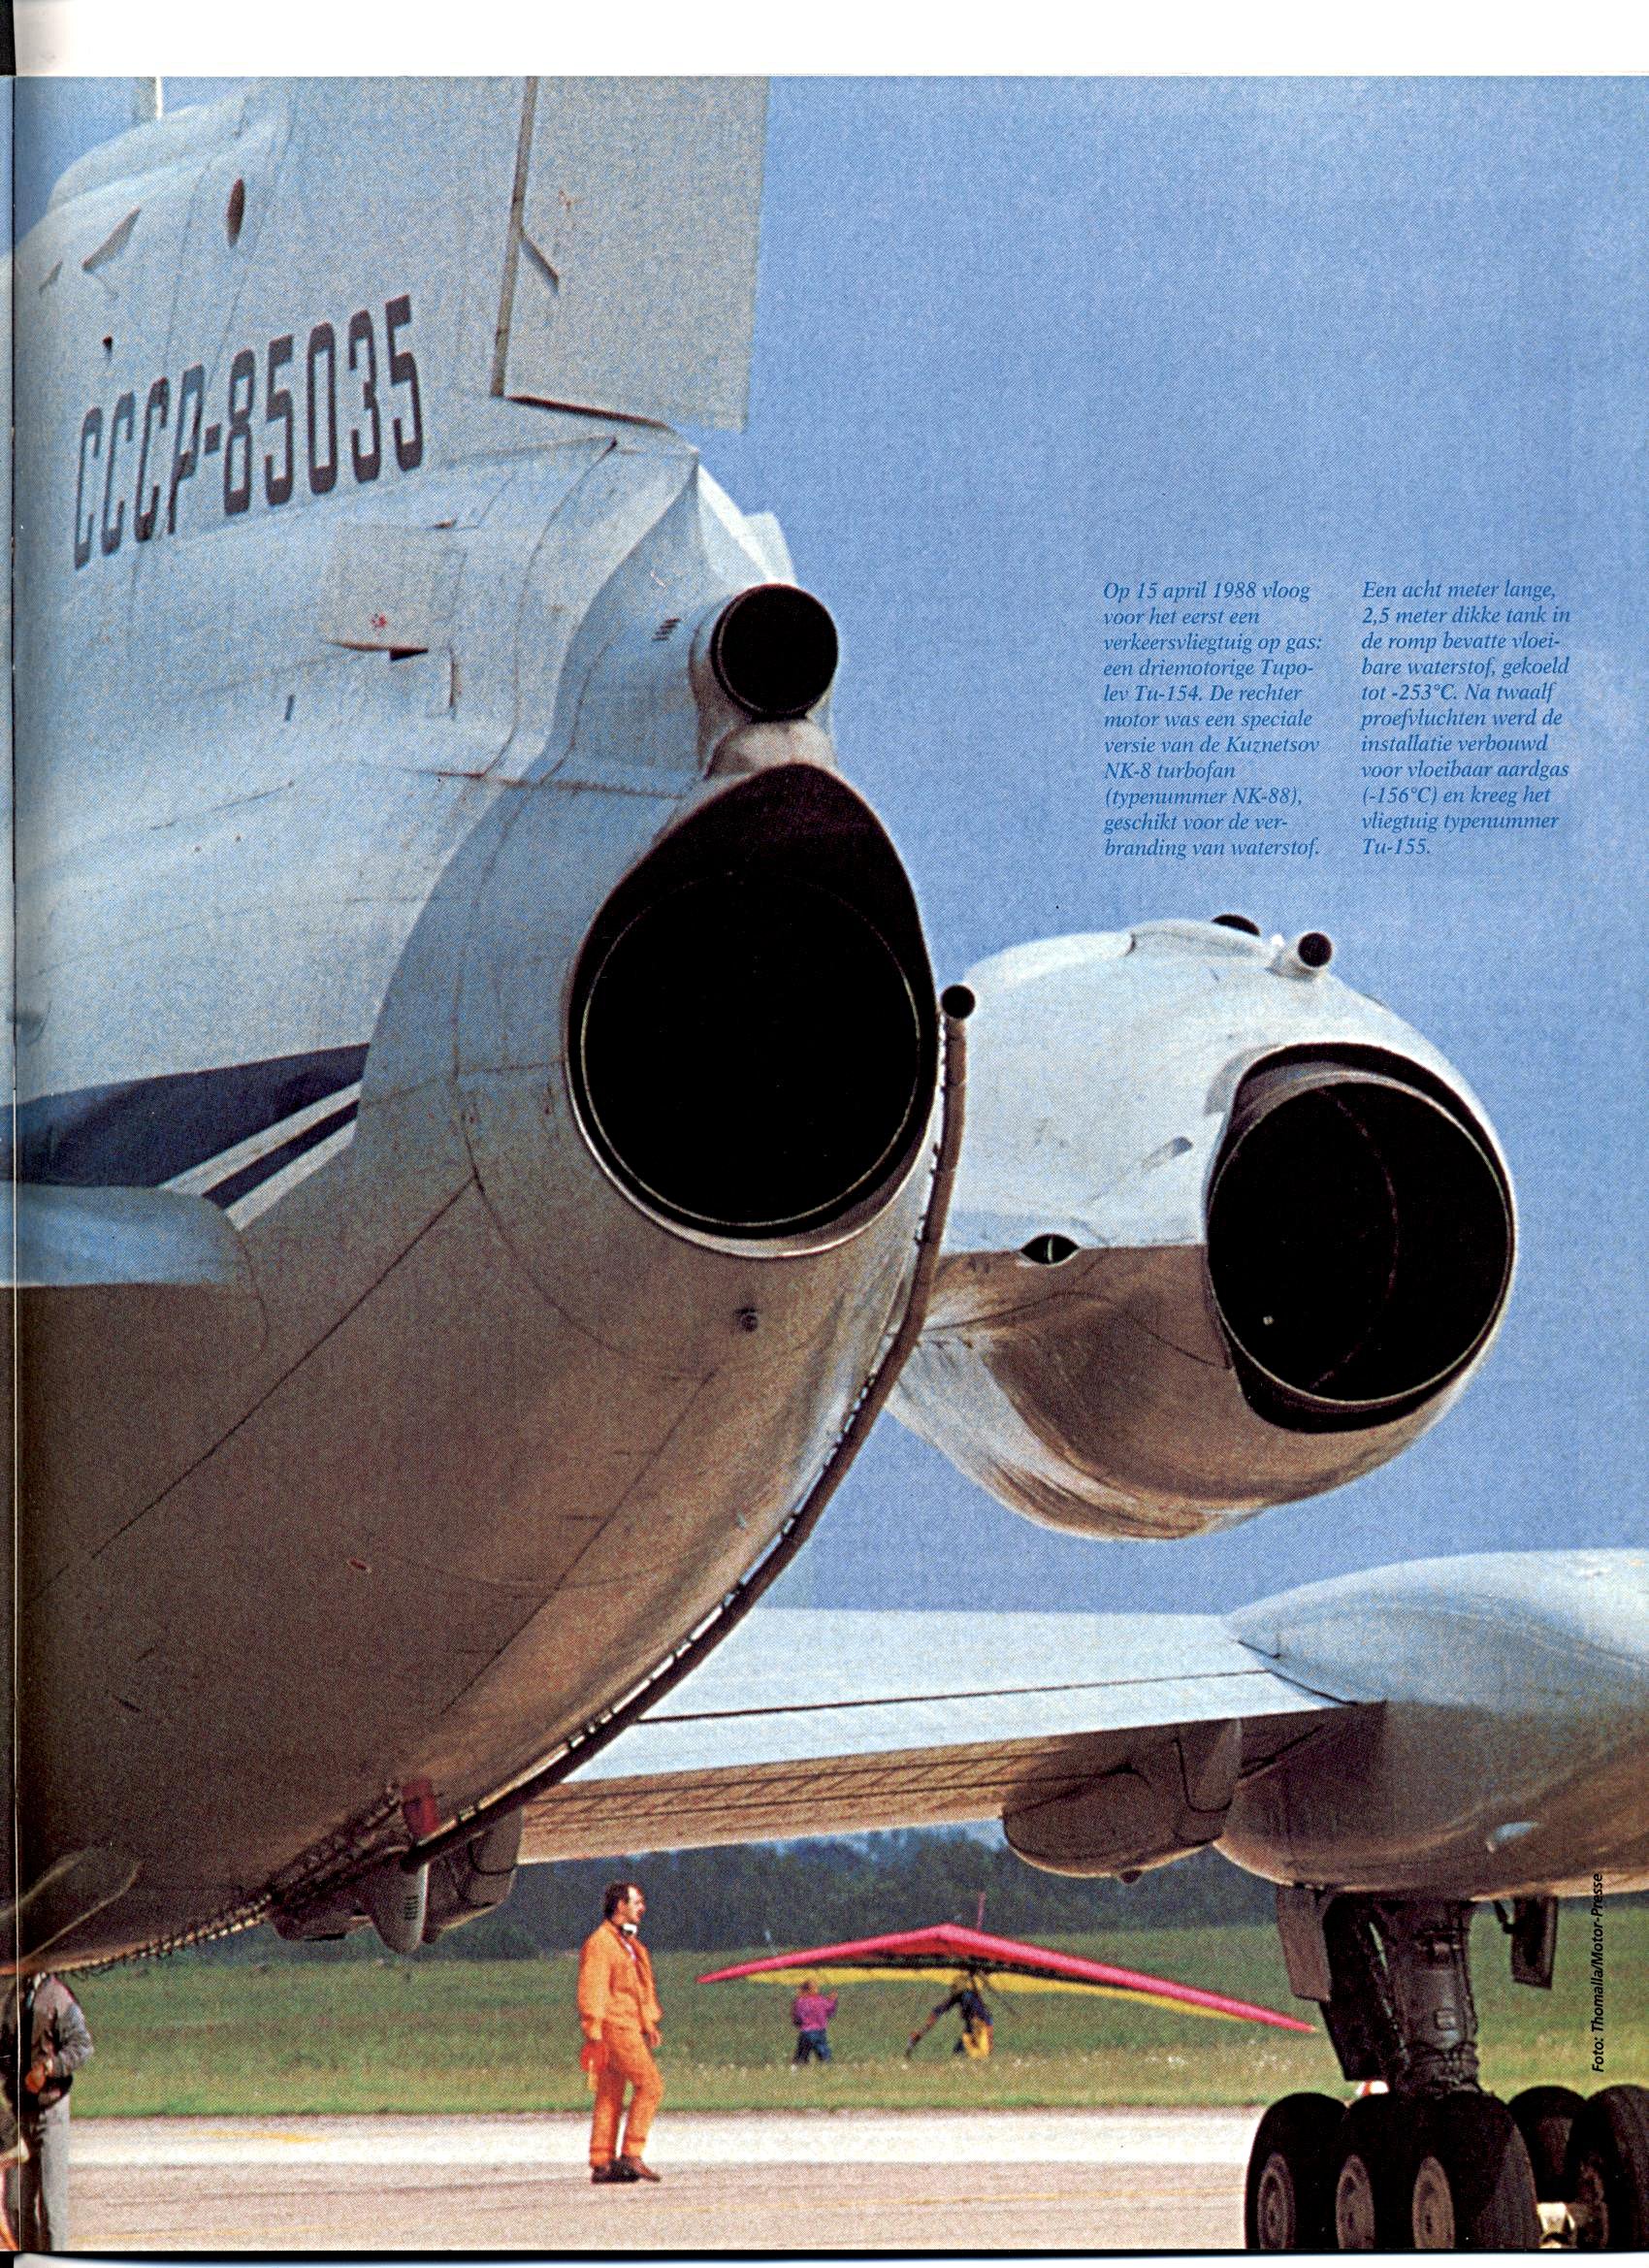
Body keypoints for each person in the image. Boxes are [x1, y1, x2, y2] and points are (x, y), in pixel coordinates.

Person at [576, 1880, 663, 2186]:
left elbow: (635, 1989)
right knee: (650, 2085)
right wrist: (593, 2028)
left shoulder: (627, 1944)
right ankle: (631, 2153)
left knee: (610, 2092)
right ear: (620, 1906)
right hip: (615, 2026)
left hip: (625, 2024)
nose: (643, 1908)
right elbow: (593, 1986)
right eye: (636, 1902)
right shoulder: (602, 1943)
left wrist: (647, 2023)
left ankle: (602, 2162)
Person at [1, 1973, 94, 2250]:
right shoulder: (14, 1996)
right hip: (20, 2115)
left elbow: (82, 2046)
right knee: (16, 2205)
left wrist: (50, 2067)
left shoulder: (59, 1996)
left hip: (50, 2112)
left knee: (51, 2208)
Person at [789, 1979, 838, 2065]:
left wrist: (797, 2023)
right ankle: (827, 2066)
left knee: (801, 2056)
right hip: (820, 2032)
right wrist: (833, 2000)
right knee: (825, 2056)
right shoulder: (821, 2000)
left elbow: (797, 2016)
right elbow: (830, 2011)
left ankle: (797, 2067)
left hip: (806, 2032)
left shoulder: (800, 2001)